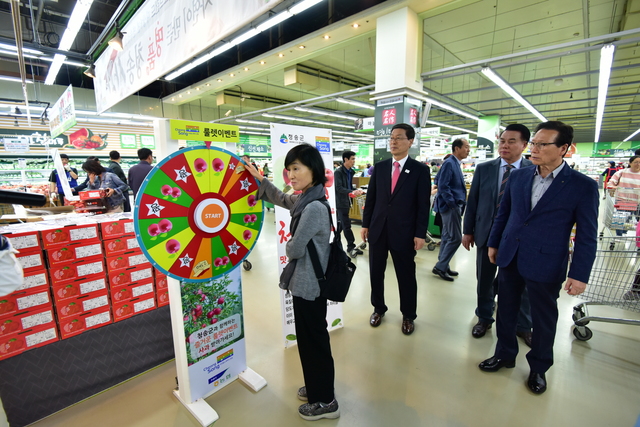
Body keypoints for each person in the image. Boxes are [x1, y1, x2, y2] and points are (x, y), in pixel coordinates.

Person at [479, 121, 598, 395]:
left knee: (543, 320)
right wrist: (494, 243)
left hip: (546, 262)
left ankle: (538, 368)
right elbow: (504, 213)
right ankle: (505, 355)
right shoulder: (519, 177)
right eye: (534, 143)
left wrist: (579, 274)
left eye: (543, 144)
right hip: (510, 255)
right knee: (506, 310)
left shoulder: (582, 187)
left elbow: (587, 235)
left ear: (564, 149)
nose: (535, 149)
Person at [243, 144, 339, 421]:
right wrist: (261, 180)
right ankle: (316, 387)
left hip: (310, 286)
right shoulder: (308, 198)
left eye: (297, 168)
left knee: (315, 342)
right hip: (304, 284)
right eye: (289, 169)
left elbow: (295, 250)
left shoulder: (314, 208)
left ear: (314, 170)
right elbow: (282, 199)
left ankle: (327, 401)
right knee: (309, 340)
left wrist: (288, 244)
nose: (291, 175)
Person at [462, 124, 533, 345]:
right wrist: (467, 230)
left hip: (518, 238)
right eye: (502, 141)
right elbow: (473, 201)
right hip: (485, 233)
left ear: (524, 145)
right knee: (484, 279)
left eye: (512, 141)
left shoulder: (533, 170)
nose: (505, 145)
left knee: (522, 283)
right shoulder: (485, 168)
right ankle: (484, 317)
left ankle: (523, 325)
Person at [361, 123, 431, 335]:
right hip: (378, 229)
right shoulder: (380, 167)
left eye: (399, 138)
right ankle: (378, 308)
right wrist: (365, 224)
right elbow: (371, 199)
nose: (393, 141)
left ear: (410, 141)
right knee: (375, 272)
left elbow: (422, 205)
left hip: (405, 232)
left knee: (406, 275)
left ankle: (408, 315)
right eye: (391, 138)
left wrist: (420, 233)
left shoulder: (420, 170)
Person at [432, 138, 470, 281]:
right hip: (450, 207)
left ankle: (444, 264)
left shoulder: (454, 163)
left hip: (451, 205)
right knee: (456, 238)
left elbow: (439, 181)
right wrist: (452, 204)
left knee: (447, 237)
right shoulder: (449, 163)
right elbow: (443, 185)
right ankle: (440, 266)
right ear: (457, 148)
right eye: (466, 147)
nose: (468, 150)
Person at [334, 151, 365, 257]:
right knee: (346, 225)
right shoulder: (338, 172)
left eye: (354, 159)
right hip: (340, 202)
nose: (354, 161)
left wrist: (356, 190)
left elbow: (349, 187)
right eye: (352, 159)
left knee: (341, 226)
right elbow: (338, 188)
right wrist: (351, 192)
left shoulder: (350, 172)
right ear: (345, 159)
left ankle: (334, 245)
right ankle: (351, 247)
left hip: (348, 202)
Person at [606, 155, 640, 236]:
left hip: (637, 202)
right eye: (636, 162)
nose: (638, 164)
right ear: (630, 163)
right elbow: (611, 182)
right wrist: (613, 187)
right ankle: (619, 235)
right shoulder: (621, 172)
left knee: (630, 220)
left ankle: (626, 233)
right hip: (622, 201)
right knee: (620, 219)